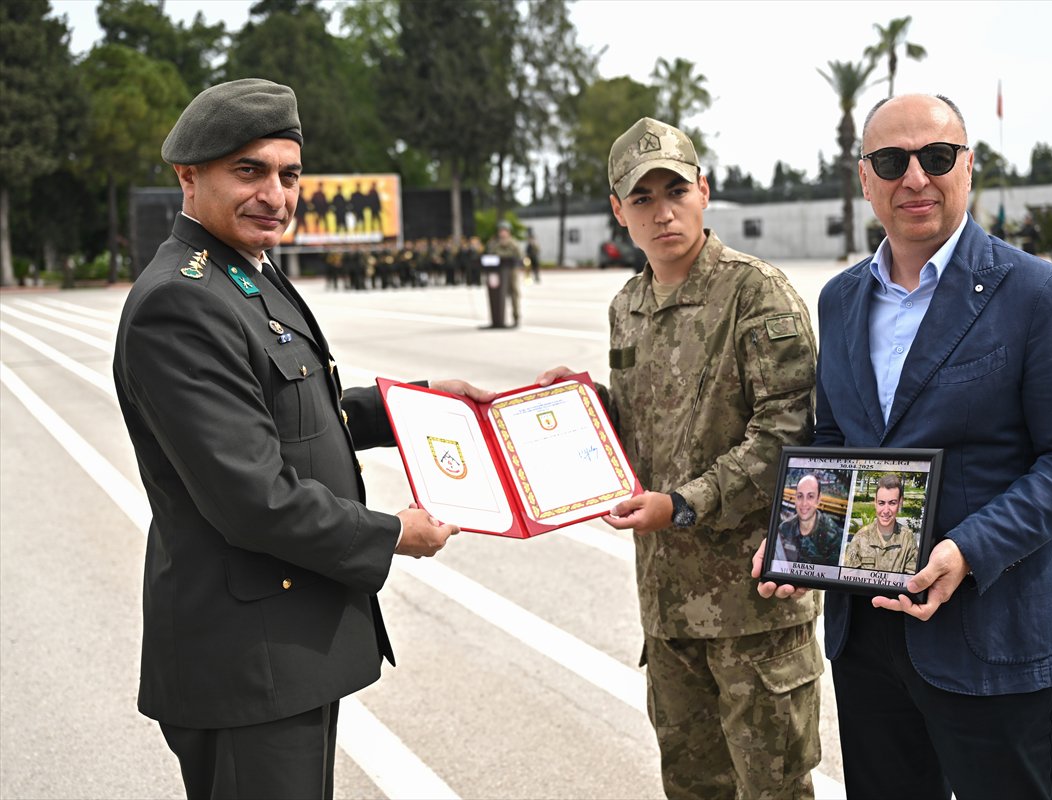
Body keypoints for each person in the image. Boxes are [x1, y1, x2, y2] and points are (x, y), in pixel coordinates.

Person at [112, 78, 494, 799]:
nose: (275, 195)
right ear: (188, 177)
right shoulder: (182, 302)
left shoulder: (245, 273)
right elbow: (253, 497)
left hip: (282, 645)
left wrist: (412, 407)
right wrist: (392, 534)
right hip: (246, 660)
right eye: (249, 171)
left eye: (289, 175)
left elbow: (294, 412)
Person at [754, 94, 1052, 800]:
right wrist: (803, 538)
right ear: (866, 178)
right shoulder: (841, 299)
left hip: (993, 631)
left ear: (968, 167)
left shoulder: (1040, 294)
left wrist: (968, 550)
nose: (915, 178)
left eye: (937, 157)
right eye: (892, 161)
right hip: (868, 641)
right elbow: (836, 439)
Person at [538, 117, 822, 799]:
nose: (662, 213)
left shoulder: (756, 293)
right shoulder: (629, 304)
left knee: (774, 790)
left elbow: (787, 433)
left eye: (676, 192)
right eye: (642, 198)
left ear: (704, 191)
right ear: (619, 211)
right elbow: (647, 420)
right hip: (667, 607)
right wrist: (583, 408)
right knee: (692, 789)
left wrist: (683, 504)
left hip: (753, 610)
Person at [842, 474, 917, 574]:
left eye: (892, 503)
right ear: (875, 503)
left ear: (900, 503)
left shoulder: (908, 539)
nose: (886, 511)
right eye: (881, 503)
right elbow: (847, 577)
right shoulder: (860, 538)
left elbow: (912, 579)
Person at [773, 474, 843, 566]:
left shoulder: (833, 536)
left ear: (818, 499)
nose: (804, 503)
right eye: (800, 496)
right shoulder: (784, 529)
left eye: (810, 496)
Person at [486, 221, 524, 326]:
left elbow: (519, 256)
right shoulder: (494, 243)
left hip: (511, 271)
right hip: (497, 272)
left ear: (508, 232)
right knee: (497, 295)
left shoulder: (513, 243)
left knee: (514, 293)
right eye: (501, 230)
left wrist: (502, 255)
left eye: (504, 230)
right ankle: (498, 319)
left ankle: (516, 316)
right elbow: (490, 254)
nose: (502, 233)